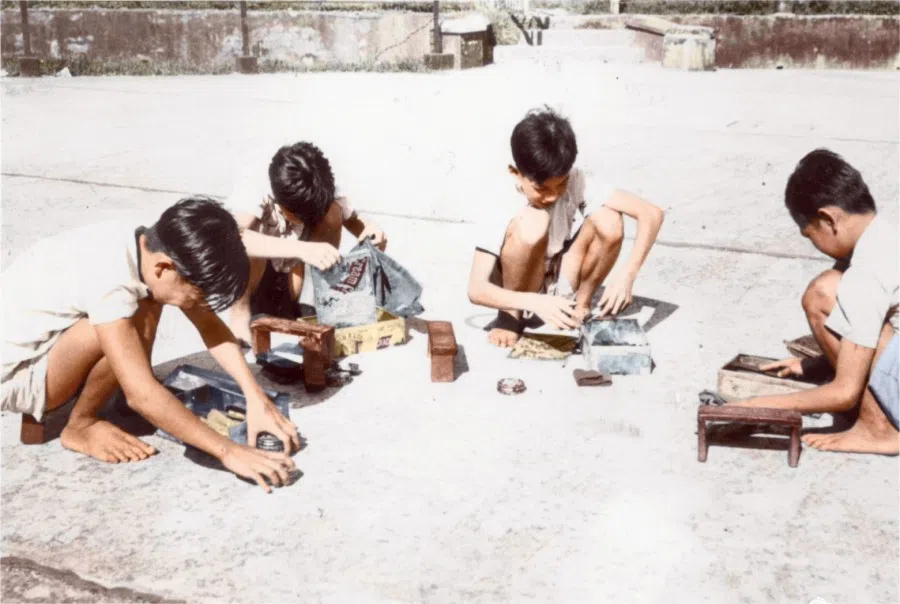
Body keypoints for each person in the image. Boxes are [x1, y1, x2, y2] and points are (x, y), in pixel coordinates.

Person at [1, 197, 301, 491]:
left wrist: (255, 398)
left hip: (45, 342)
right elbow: (141, 395)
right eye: (196, 294)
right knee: (137, 311)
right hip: (19, 375)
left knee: (147, 300)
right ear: (163, 268)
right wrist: (229, 452)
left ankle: (96, 403)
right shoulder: (113, 281)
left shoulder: (149, 244)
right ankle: (81, 425)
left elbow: (209, 324)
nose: (197, 304)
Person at [735, 149, 898, 455]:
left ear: (827, 218)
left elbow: (844, 394)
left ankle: (878, 430)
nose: (815, 245)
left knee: (825, 291)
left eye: (810, 235)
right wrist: (812, 365)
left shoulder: (866, 275)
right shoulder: (886, 233)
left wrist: (758, 404)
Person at [467, 106, 665, 347]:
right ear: (515, 173)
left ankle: (580, 306)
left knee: (610, 219)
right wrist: (534, 302)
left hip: (558, 273)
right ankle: (510, 317)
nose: (552, 196)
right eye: (542, 189)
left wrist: (627, 276)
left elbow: (651, 214)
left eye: (560, 185)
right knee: (534, 221)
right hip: (517, 287)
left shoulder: (575, 178)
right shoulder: (497, 200)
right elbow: (476, 289)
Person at [226, 142, 388, 343]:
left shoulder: (319, 184)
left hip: (293, 273)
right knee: (248, 235)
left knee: (332, 213)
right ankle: (241, 313)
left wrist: (370, 229)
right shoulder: (253, 184)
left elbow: (352, 218)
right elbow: (231, 238)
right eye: (301, 215)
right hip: (257, 274)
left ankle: (311, 301)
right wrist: (303, 249)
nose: (307, 218)